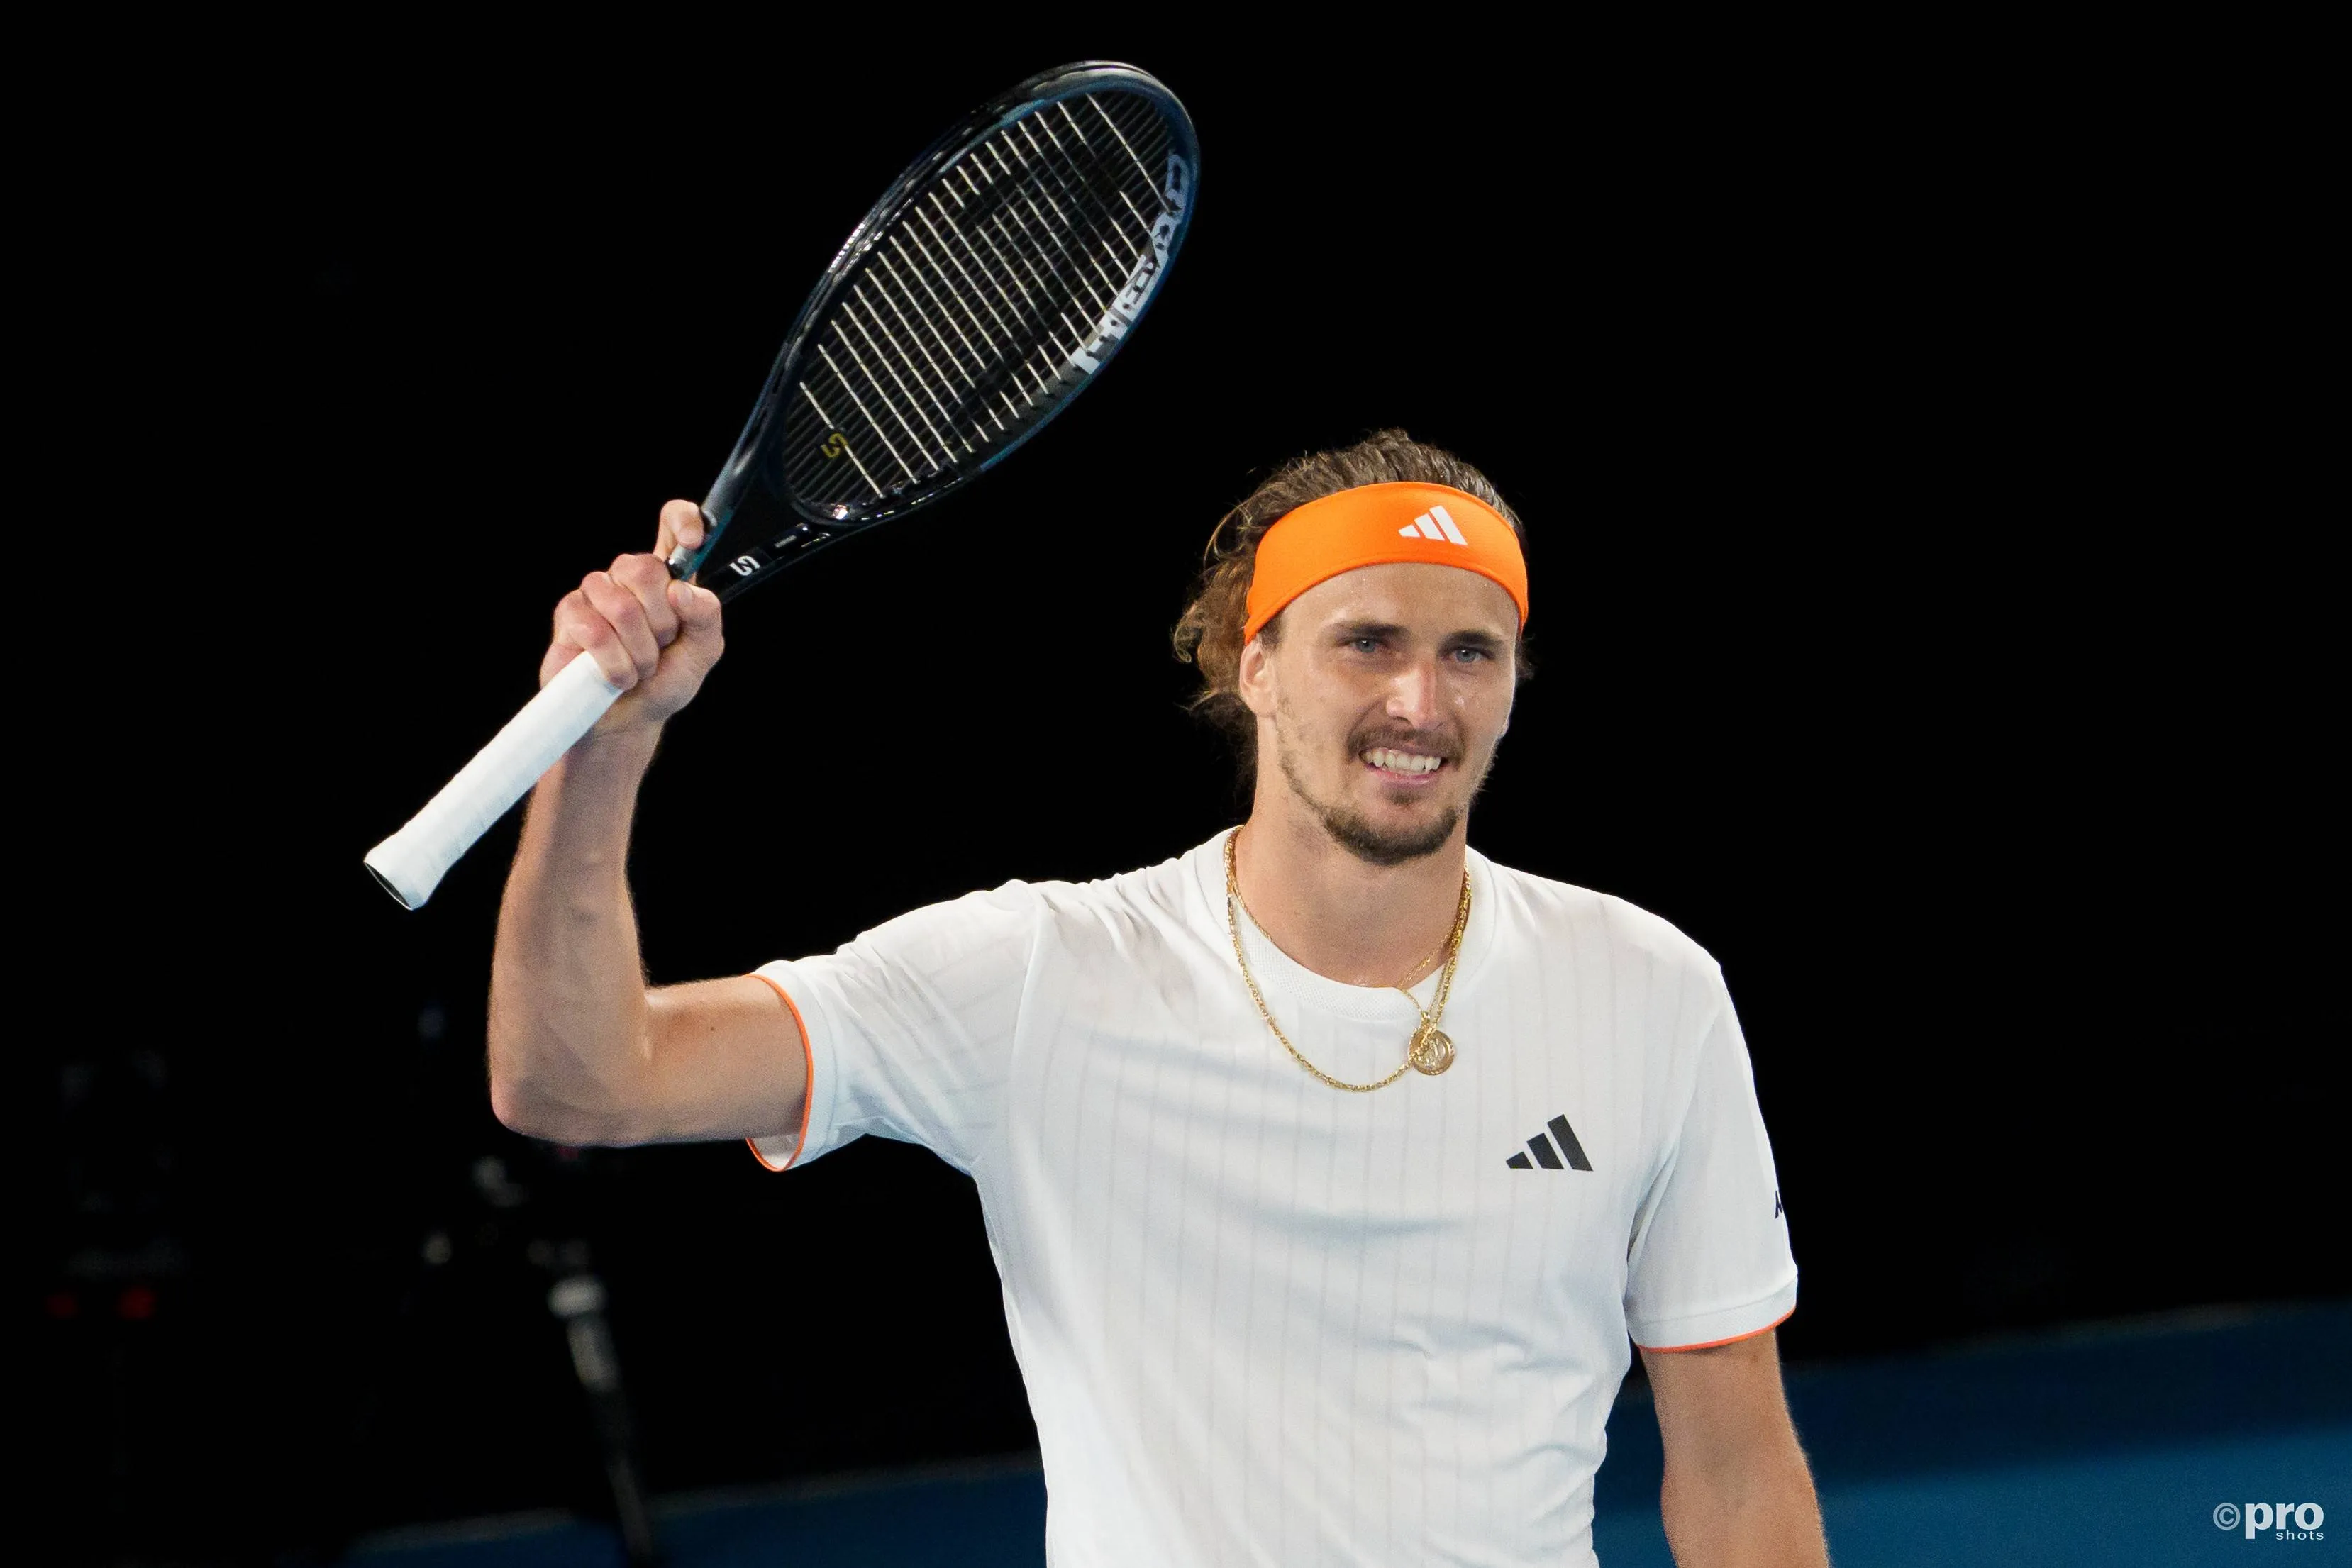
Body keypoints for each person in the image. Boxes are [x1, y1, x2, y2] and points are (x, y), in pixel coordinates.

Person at [487, 430, 1829, 1567]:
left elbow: (1734, 1465)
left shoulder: (1653, 994)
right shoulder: (1039, 974)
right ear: (1254, 666)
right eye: (1366, 641)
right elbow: (581, 1083)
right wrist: (605, 752)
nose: (1421, 701)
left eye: (1471, 652)